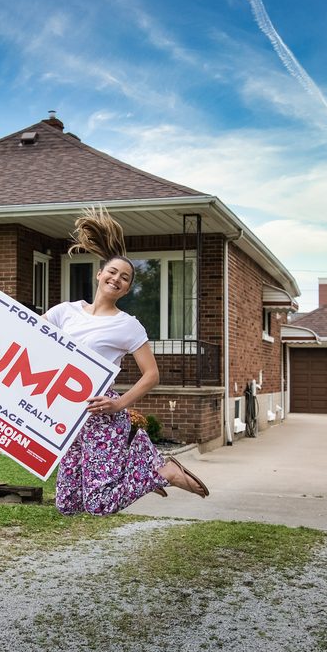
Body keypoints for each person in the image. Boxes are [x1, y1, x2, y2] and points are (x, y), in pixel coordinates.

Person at [44, 205, 209, 516]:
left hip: (100, 412)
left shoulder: (127, 324)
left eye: (125, 278)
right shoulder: (65, 311)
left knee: (99, 504)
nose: (117, 279)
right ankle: (143, 461)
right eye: (112, 272)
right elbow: (18, 333)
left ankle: (161, 472)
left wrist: (118, 405)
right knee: (67, 504)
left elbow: (151, 375)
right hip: (66, 411)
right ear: (99, 274)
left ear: (128, 288)